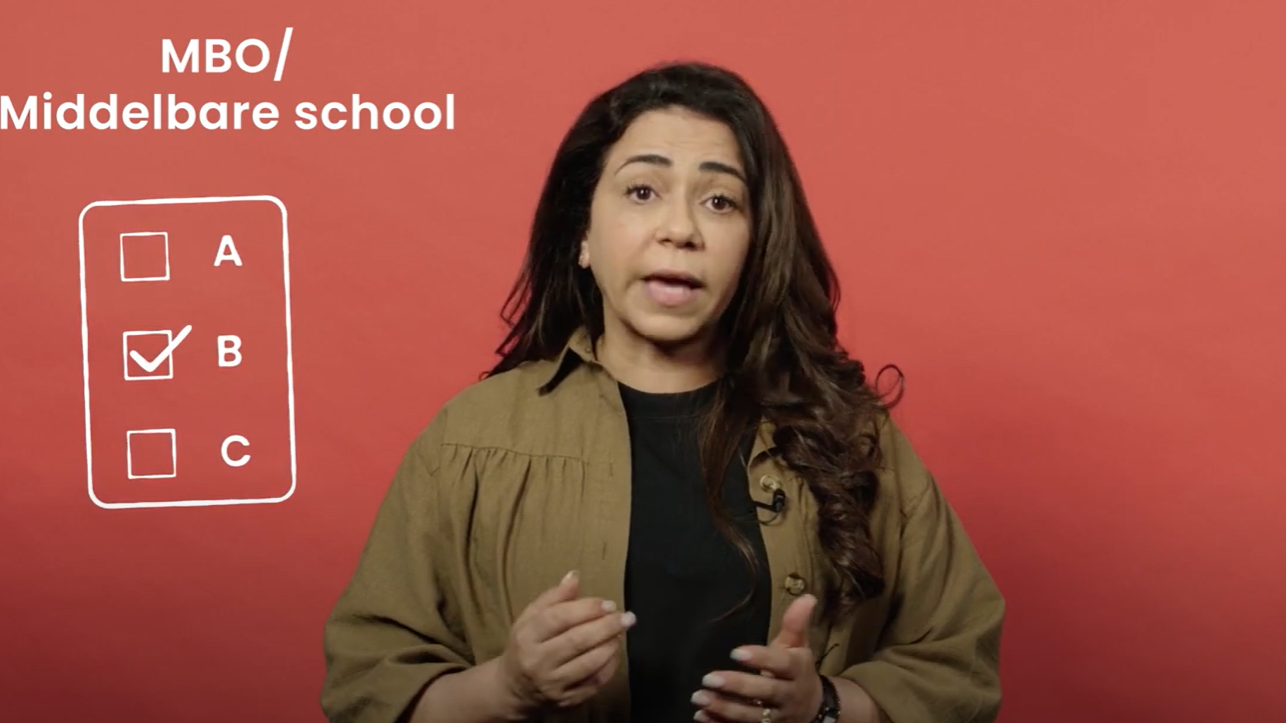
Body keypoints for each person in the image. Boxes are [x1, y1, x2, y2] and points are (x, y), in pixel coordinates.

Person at [320, 61, 1005, 723]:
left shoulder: (852, 439)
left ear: (756, 243)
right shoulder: (469, 438)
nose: (680, 230)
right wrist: (506, 687)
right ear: (583, 234)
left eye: (719, 201)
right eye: (643, 191)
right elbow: (365, 686)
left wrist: (822, 705)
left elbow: (957, 668)